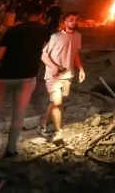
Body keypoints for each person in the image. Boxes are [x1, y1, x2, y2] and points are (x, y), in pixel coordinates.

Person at [0, 0, 50, 158]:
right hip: (27, 77)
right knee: (18, 113)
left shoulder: (12, 31)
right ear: (41, 15)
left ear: (25, 14)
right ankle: (10, 150)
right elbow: (44, 50)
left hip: (6, 76)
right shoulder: (44, 32)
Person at [39, 11, 84, 143]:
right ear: (65, 22)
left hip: (68, 75)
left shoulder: (78, 36)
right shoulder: (56, 37)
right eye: (71, 19)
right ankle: (59, 132)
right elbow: (44, 55)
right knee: (57, 103)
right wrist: (53, 67)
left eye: (76, 19)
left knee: (56, 102)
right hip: (53, 76)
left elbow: (75, 53)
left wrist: (81, 68)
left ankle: (42, 124)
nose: (74, 22)